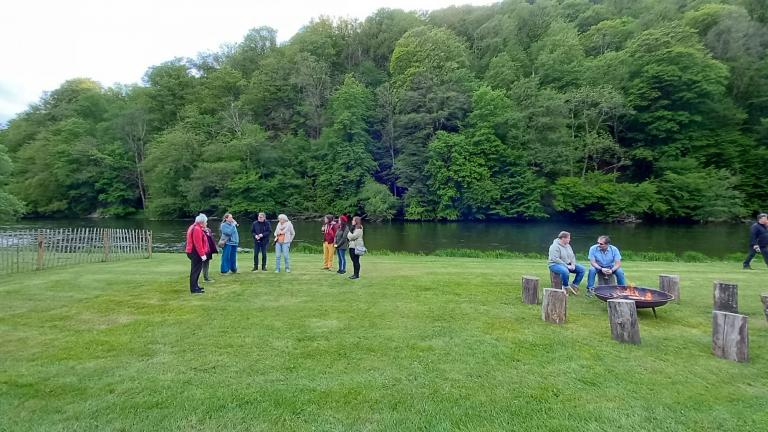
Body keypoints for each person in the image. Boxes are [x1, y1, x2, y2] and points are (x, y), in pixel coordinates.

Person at [547, 231, 585, 295]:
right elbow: (555, 259)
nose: (570, 239)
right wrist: (566, 266)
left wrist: (573, 264)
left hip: (568, 264)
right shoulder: (554, 246)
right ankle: (565, 287)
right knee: (565, 271)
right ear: (563, 238)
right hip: (554, 264)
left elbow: (572, 256)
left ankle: (574, 285)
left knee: (582, 269)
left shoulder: (568, 246)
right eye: (568, 238)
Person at [185, 213, 209, 294]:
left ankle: (196, 286)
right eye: (206, 222)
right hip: (194, 252)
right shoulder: (197, 229)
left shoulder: (194, 227)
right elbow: (197, 243)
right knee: (195, 270)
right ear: (202, 222)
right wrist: (202, 255)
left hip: (192, 251)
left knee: (197, 270)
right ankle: (194, 289)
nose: (206, 223)